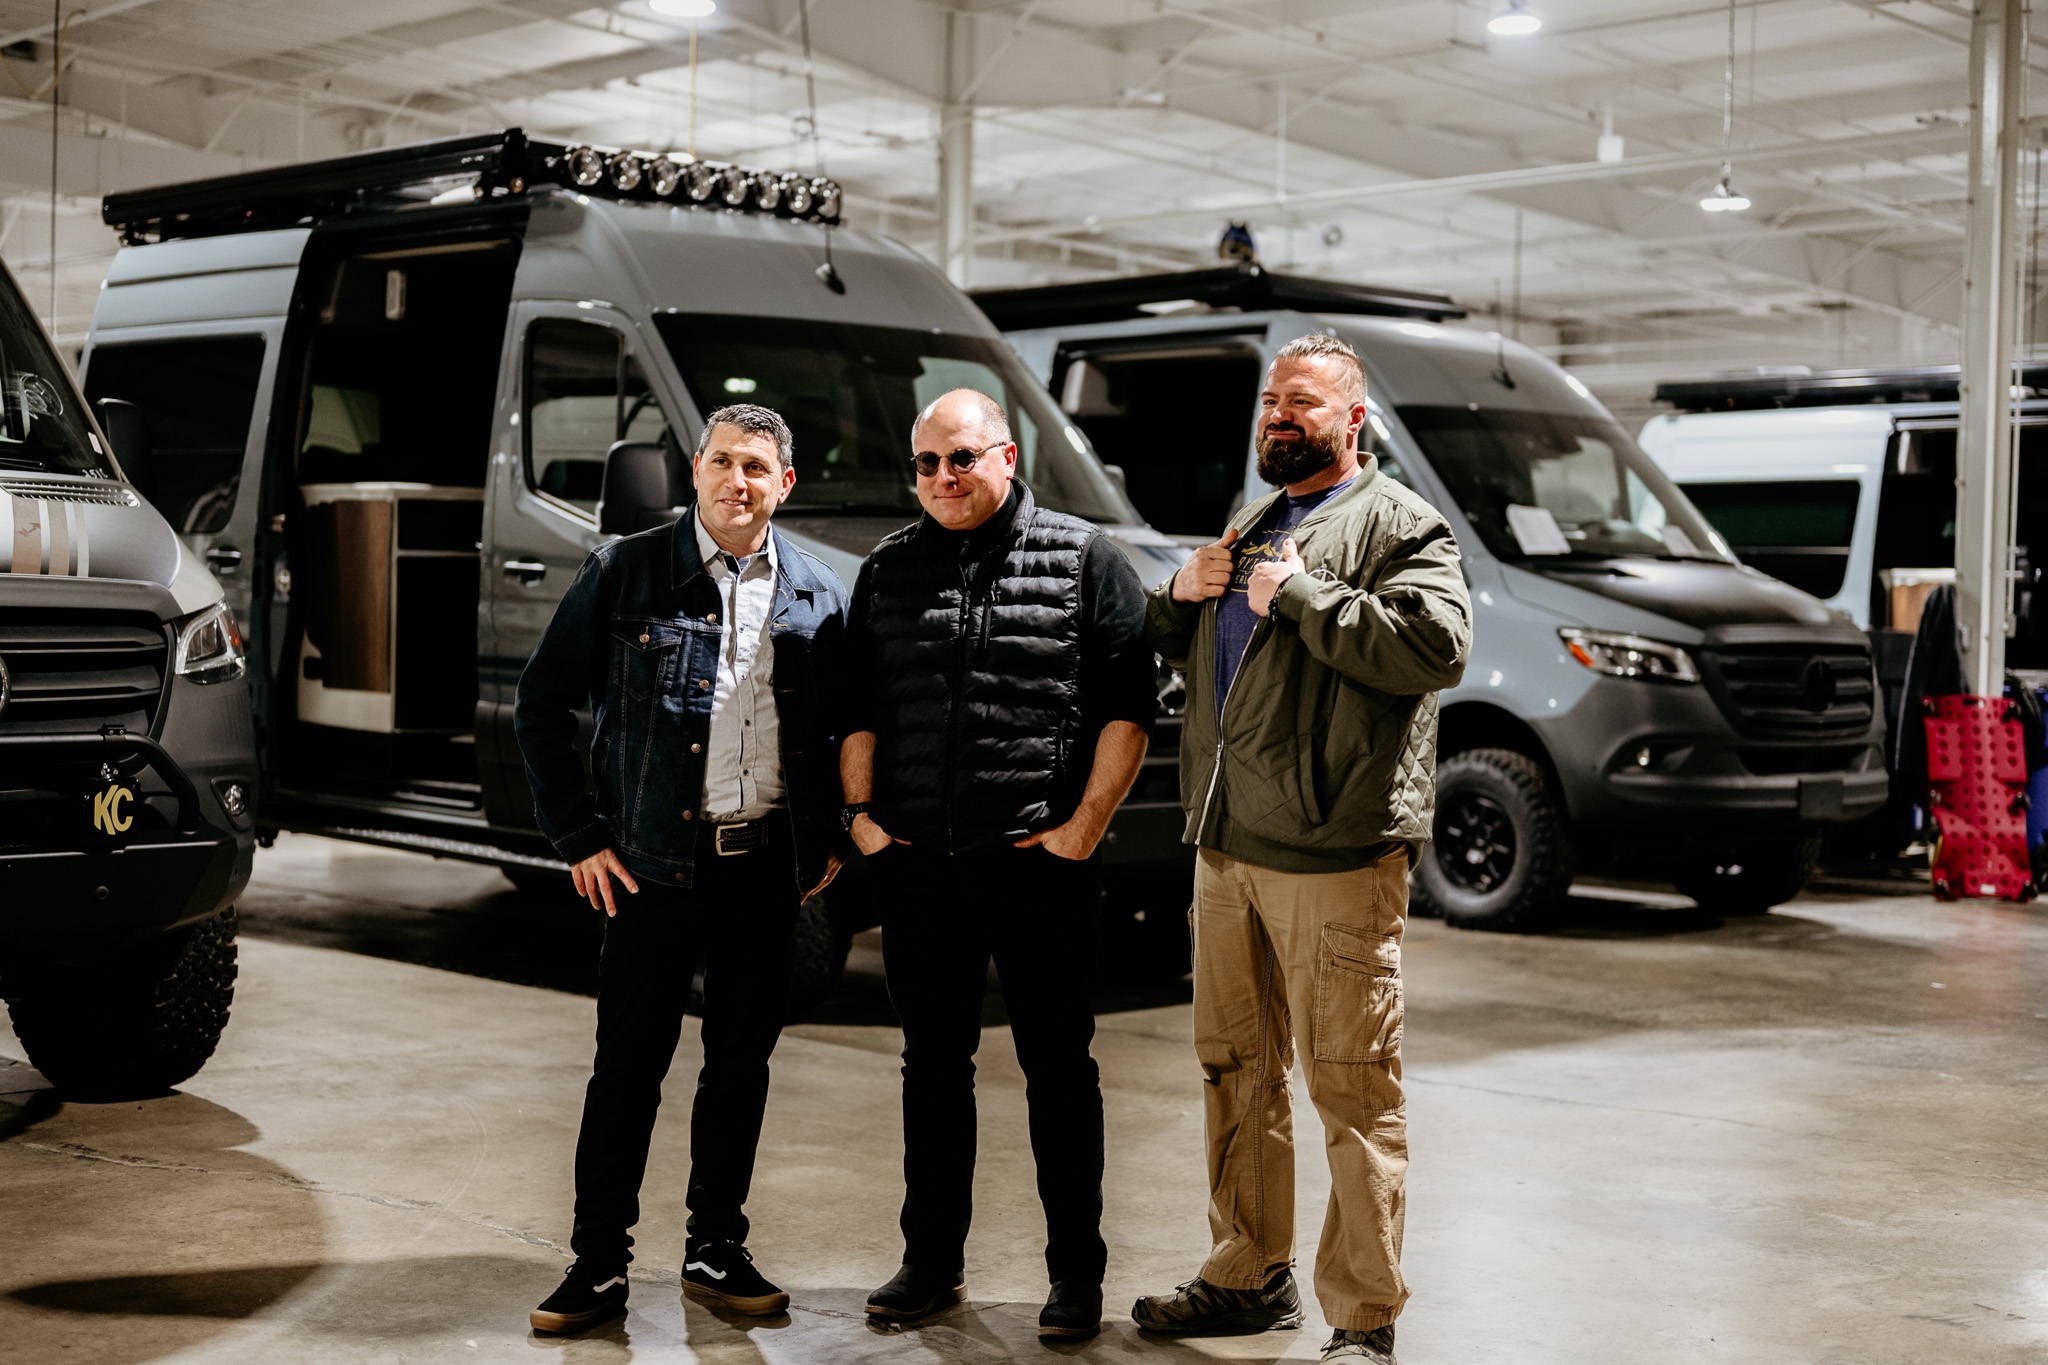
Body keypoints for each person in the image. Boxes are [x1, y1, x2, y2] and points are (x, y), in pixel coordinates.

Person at [1132, 334, 1470, 1364]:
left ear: (1351, 419)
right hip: (1229, 844)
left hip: (1331, 851)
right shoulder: (1251, 522)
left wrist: (1299, 596)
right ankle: (1246, 1271)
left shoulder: (1399, 524)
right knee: (1234, 1069)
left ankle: (1363, 1321)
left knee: (1351, 1088)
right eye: (1271, 401)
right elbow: (1195, 654)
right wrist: (1176, 597)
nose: (1279, 416)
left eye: (1304, 403)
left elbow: (1434, 648)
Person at [514, 403, 849, 1334]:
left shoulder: (818, 591)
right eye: (724, 462)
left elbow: (836, 729)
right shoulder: (626, 571)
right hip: (654, 869)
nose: (738, 483)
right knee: (627, 1071)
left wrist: (824, 837)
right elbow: (539, 703)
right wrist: (579, 836)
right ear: (695, 470)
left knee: (740, 1066)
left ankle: (715, 1245)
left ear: (785, 485)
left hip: (763, 872)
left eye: (759, 469)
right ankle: (597, 1265)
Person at [839, 388, 1156, 1342]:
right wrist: (860, 815)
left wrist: (1083, 829)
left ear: (1007, 457)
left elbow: (1128, 709)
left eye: (963, 458)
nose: (944, 477)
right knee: (932, 1068)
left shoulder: (1086, 559)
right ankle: (930, 1265)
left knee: (1059, 1070)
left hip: (1038, 866)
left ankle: (1076, 1279)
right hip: (919, 867)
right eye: (928, 463)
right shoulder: (888, 570)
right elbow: (859, 703)